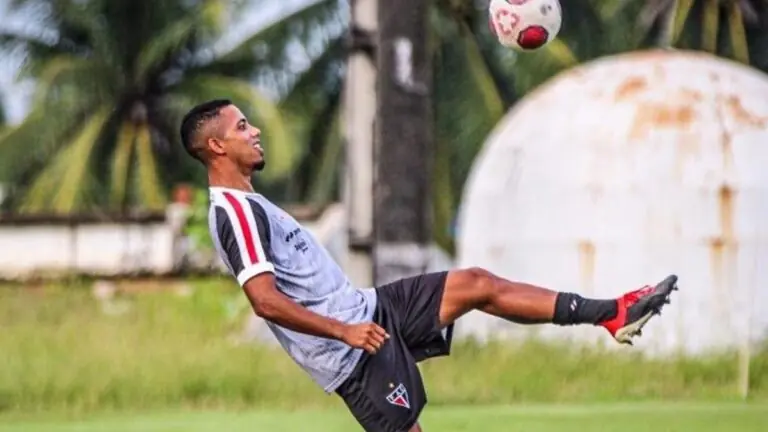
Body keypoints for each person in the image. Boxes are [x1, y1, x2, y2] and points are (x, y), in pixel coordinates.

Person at [179, 99, 678, 432]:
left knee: (478, 284)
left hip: (371, 309)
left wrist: (354, 321)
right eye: (242, 126)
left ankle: (612, 312)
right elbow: (264, 302)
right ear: (218, 146)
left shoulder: (255, 203)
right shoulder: (234, 213)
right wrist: (343, 332)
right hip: (352, 355)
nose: (256, 129)